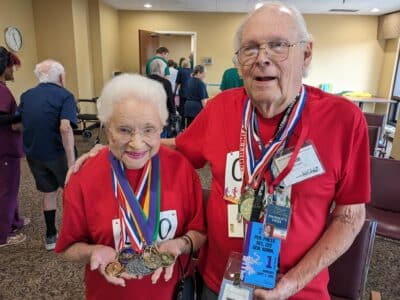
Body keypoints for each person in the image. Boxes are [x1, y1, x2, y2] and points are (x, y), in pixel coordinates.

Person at [69, 2, 369, 299]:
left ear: (306, 53)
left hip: (298, 291)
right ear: (239, 62)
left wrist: (292, 283)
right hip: (219, 283)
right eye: (250, 48)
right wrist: (114, 147)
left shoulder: (344, 120)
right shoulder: (222, 108)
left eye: (278, 45)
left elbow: (350, 217)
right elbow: (179, 146)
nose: (262, 58)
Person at [55, 73, 206, 300]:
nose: (137, 143)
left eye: (148, 129)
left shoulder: (180, 168)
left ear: (161, 129)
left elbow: (200, 232)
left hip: (171, 291)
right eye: (124, 130)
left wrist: (181, 245)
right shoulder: (83, 177)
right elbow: (67, 248)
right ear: (107, 129)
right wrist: (93, 251)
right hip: (109, 293)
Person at [18, 59, 77, 250]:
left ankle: (51, 236)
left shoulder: (27, 95)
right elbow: (65, 128)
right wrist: (72, 162)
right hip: (57, 153)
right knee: (71, 193)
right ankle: (73, 234)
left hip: (34, 154)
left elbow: (17, 124)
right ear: (60, 77)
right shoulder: (65, 95)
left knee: (48, 193)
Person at [0, 46, 28, 248]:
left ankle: (14, 221)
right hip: (4, 150)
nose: (13, 71)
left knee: (10, 188)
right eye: (11, 67)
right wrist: (23, 115)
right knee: (6, 191)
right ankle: (4, 233)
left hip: (8, 148)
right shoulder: (0, 90)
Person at [147, 59, 177, 137]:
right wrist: (173, 112)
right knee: (161, 138)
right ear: (161, 70)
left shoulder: (143, 81)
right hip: (161, 115)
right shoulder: (166, 83)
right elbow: (170, 101)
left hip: (146, 115)